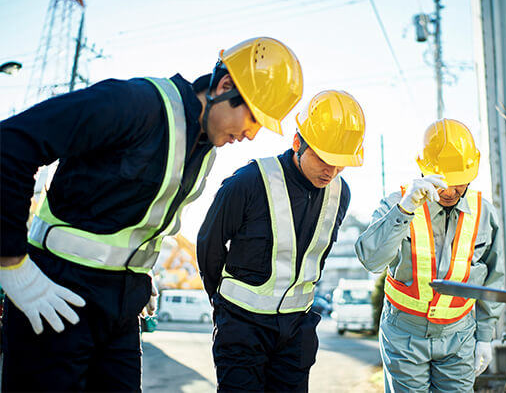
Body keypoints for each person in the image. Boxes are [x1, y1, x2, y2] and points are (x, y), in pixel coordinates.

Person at [0, 36, 303, 392]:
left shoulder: (204, 148)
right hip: (57, 293)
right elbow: (11, 144)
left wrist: (139, 272)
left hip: (122, 308)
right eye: (252, 117)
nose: (251, 134)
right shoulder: (136, 104)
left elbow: (136, 218)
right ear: (223, 86)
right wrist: (12, 264)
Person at [197, 90, 366, 392]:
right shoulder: (248, 182)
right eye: (324, 159)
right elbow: (209, 242)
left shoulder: (342, 193)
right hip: (242, 326)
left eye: (341, 163)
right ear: (298, 142)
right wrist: (220, 301)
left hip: (296, 332)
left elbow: (319, 256)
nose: (332, 170)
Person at [355, 118, 505, 392]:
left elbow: (493, 280)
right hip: (404, 334)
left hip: (459, 335)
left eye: (458, 182)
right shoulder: (397, 203)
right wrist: (404, 210)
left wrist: (485, 336)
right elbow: (371, 260)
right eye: (443, 182)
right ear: (423, 169)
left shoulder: (485, 214)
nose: (449, 191)